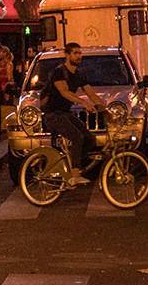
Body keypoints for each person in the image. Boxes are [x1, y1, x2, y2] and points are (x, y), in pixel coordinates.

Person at [41, 42, 105, 183]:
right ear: (67, 55)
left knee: (89, 138)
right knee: (77, 137)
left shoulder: (79, 74)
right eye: (75, 53)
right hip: (53, 115)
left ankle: (72, 164)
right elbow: (65, 92)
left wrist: (104, 108)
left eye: (80, 53)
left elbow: (91, 93)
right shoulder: (60, 72)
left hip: (65, 113)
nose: (79, 56)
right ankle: (75, 175)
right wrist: (83, 103)